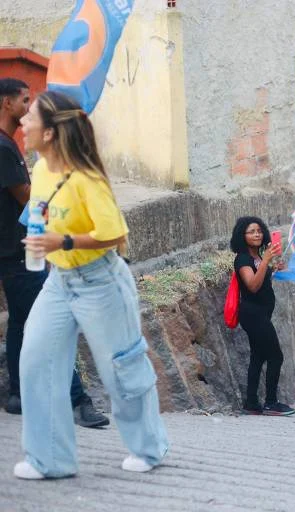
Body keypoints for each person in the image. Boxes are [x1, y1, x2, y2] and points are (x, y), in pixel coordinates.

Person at [15, 91, 169, 479]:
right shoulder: (40, 169)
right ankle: (50, 461)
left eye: (29, 118)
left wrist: (61, 241)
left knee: (121, 367)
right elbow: (42, 214)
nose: (22, 123)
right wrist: (42, 240)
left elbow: (113, 234)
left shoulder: (87, 178)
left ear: (50, 133)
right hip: (57, 280)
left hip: (99, 279)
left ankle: (149, 448)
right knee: (36, 362)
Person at [0, 78, 108, 427]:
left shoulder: (9, 144)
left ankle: (19, 395)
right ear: (6, 103)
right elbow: (32, 200)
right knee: (56, 326)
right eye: (24, 100)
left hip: (15, 251)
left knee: (20, 322)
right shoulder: (3, 147)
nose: (29, 108)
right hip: (20, 253)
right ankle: (78, 401)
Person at [231, 216, 295, 416]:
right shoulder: (243, 258)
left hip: (261, 313)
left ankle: (251, 403)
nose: (257, 234)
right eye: (251, 231)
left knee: (258, 357)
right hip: (253, 314)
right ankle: (270, 402)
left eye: (259, 230)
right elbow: (252, 285)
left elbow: (262, 280)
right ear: (242, 236)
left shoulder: (258, 257)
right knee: (276, 356)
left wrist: (273, 268)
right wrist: (266, 260)